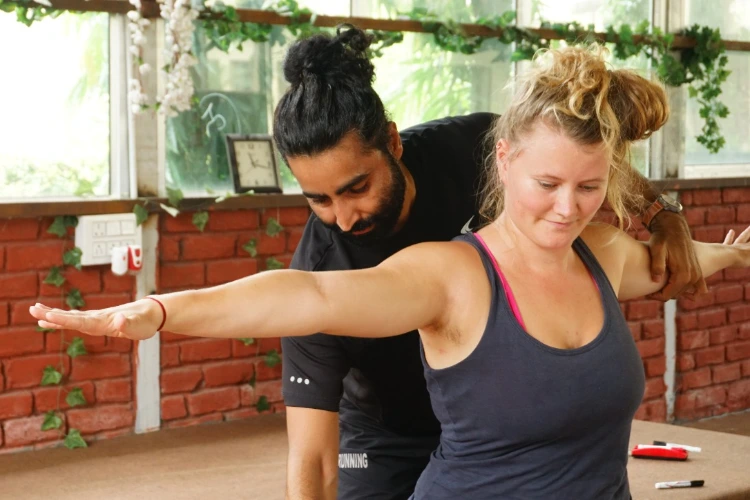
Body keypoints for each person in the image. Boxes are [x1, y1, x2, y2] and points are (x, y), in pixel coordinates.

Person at [30, 45, 750, 499]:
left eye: (588, 188)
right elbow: (307, 298)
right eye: (547, 185)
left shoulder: (593, 245)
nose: (568, 208)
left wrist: (726, 250)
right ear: (505, 164)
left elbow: (669, 264)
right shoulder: (441, 274)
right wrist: (161, 310)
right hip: (394, 428)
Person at [270, 25, 702, 499]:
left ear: (393, 143)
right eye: (319, 200)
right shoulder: (319, 269)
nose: (343, 217)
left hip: (495, 416)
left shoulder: (471, 146)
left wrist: (663, 214)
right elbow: (312, 460)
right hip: (387, 434)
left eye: (357, 188)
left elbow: (577, 157)